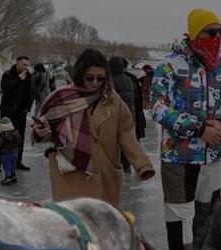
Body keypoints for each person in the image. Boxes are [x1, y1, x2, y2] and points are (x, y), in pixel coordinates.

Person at [151, 8, 221, 250]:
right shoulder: (170, 66)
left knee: (207, 215)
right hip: (178, 157)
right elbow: (159, 108)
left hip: (212, 156)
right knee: (180, 216)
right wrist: (198, 128)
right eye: (211, 32)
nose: (217, 37)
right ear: (195, 33)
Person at [32, 48, 155, 205]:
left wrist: (141, 164)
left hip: (104, 171)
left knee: (102, 224)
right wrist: (41, 132)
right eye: (89, 78)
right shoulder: (62, 98)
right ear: (79, 75)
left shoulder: (113, 100)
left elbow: (126, 132)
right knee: (76, 224)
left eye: (100, 78)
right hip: (71, 173)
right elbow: (47, 129)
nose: (95, 83)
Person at [0, 56, 36, 172]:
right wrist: (18, 79)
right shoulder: (8, 75)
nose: (26, 67)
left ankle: (18, 161)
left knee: (20, 138)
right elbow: (5, 88)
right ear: (18, 64)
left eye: (28, 65)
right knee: (5, 138)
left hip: (21, 112)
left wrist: (29, 106)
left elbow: (32, 91)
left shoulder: (29, 76)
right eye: (24, 65)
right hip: (8, 111)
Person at [109, 56, 142, 172]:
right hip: (130, 115)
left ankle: (118, 169)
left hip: (117, 117)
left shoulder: (111, 81)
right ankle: (127, 166)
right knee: (126, 142)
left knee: (116, 144)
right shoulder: (128, 80)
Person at [0, 117, 22, 186]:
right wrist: (18, 150)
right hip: (15, 153)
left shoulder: (2, 134)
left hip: (6, 154)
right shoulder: (16, 132)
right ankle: (13, 176)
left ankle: (8, 178)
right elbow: (19, 142)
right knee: (13, 165)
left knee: (7, 166)